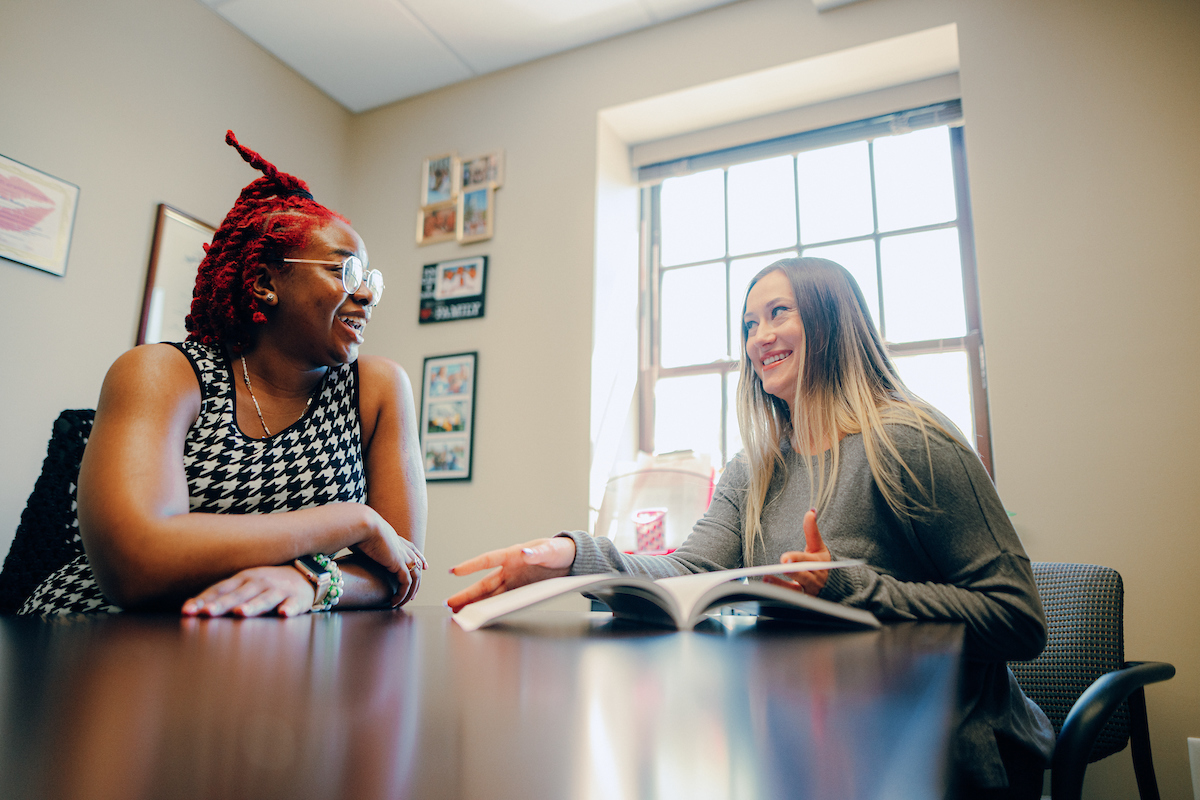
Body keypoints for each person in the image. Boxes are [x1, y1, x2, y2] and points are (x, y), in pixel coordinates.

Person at [448, 257, 1054, 798]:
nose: (758, 338)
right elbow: (688, 573)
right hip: (813, 738)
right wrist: (569, 555)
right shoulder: (757, 467)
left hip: (941, 745)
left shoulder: (914, 442)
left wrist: (846, 586)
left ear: (830, 322)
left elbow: (1018, 619)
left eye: (777, 314)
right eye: (747, 325)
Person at [21, 131, 427, 617]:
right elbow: (134, 567)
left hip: (263, 647)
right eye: (345, 273)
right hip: (105, 636)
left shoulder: (376, 389)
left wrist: (311, 580)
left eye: (370, 282)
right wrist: (352, 521)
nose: (365, 296)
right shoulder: (163, 373)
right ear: (263, 284)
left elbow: (401, 568)